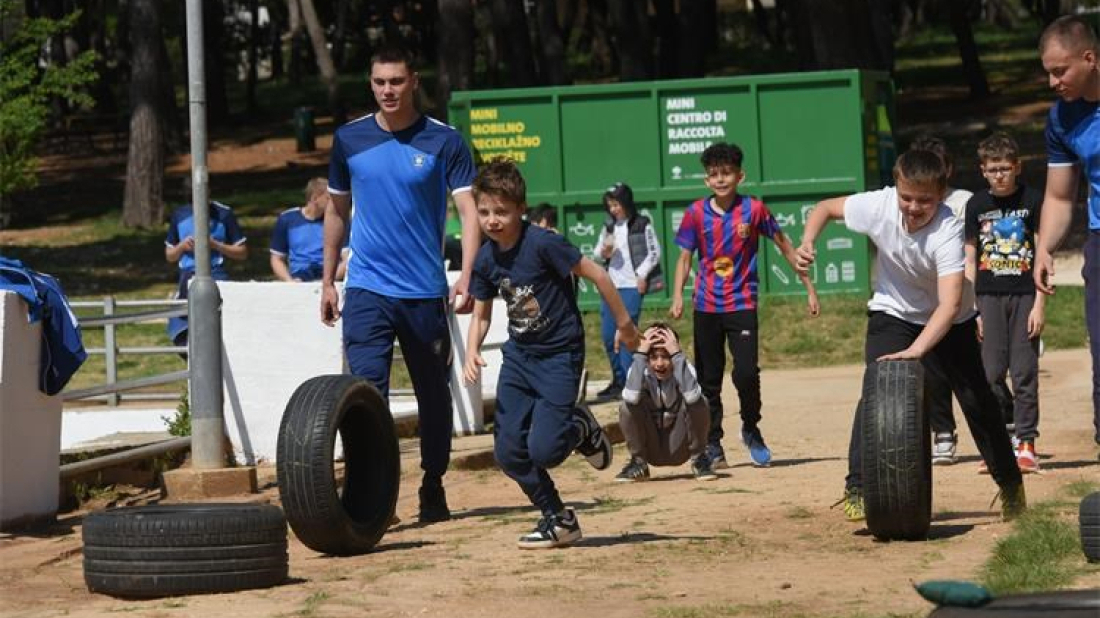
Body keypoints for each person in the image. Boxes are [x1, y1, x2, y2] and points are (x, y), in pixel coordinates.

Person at [795, 149, 1025, 523]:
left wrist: (917, 351)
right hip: (894, 311)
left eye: (925, 200)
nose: (914, 207)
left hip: (952, 321)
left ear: (941, 194)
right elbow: (824, 208)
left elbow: (949, 305)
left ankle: (1011, 485)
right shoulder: (878, 205)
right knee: (875, 390)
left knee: (976, 401)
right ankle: (858, 488)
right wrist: (808, 243)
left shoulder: (948, 229)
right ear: (896, 186)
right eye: (907, 197)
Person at [322, 44, 481, 524]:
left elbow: (469, 212)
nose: (388, 90)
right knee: (366, 395)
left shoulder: (444, 141)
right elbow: (336, 210)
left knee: (433, 396)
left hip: (424, 292)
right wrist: (328, 280)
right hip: (367, 287)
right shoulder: (349, 140)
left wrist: (468, 275)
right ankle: (374, 495)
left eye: (396, 81)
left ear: (413, 80)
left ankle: (432, 483)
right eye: (379, 83)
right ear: (370, 85)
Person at [462, 158, 641, 549]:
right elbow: (481, 311)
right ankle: (558, 518)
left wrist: (625, 326)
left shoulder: (542, 244)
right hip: (519, 360)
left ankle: (578, 427)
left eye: (502, 212)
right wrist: (471, 350)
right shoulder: (486, 258)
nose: (492, 220)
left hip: (560, 355)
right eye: (484, 212)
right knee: (509, 453)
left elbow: (599, 274)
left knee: (544, 450)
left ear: (520, 209)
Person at [669, 142, 819, 469]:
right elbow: (684, 258)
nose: (720, 179)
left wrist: (809, 287)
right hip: (706, 305)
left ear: (740, 175)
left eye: (726, 173)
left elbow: (785, 247)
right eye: (713, 175)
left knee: (747, 373)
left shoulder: (754, 210)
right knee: (709, 379)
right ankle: (712, 443)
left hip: (742, 303)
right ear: (706, 180)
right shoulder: (695, 214)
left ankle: (751, 429)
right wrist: (678, 295)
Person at [1033, 15, 1100, 455]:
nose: (1054, 81)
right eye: (1049, 73)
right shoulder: (1062, 119)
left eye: (1061, 70)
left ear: (1090, 58)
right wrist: (1043, 247)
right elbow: (1060, 197)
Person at [965, 132, 1044, 474]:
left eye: (1005, 168)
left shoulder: (1033, 200)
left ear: (1017, 167)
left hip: (1025, 293)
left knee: (1024, 371)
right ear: (982, 170)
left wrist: (1040, 304)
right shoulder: (976, 205)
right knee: (990, 373)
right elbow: (969, 258)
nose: (999, 174)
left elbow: (1042, 254)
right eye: (992, 168)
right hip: (987, 296)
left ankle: (1026, 443)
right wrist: (973, 309)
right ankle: (998, 443)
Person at [908, 135, 975, 466]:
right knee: (931, 370)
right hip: (926, 300)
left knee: (975, 375)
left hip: (963, 302)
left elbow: (976, 252)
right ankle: (943, 433)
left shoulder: (966, 202)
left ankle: (1002, 433)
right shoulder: (907, 203)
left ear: (948, 168)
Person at [615, 322, 715, 483]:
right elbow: (631, 397)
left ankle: (699, 459)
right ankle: (638, 463)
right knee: (627, 405)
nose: (660, 364)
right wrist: (641, 354)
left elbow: (691, 398)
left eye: (666, 356)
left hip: (680, 446)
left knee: (699, 400)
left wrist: (676, 355)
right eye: (653, 357)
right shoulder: (639, 368)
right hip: (650, 447)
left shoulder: (684, 367)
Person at [594, 182, 662, 402]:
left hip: (632, 286)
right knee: (607, 335)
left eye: (616, 204)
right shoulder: (609, 226)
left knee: (626, 335)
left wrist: (642, 275)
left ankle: (631, 383)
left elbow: (654, 252)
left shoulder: (642, 223)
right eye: (610, 205)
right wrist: (603, 251)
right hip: (610, 286)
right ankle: (618, 380)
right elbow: (597, 252)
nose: (613, 209)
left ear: (626, 202)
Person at [164, 180, 248, 347]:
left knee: (220, 327)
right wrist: (182, 247)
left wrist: (216, 245)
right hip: (187, 277)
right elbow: (170, 255)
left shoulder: (224, 214)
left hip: (217, 275)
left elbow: (242, 253)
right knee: (184, 327)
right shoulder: (179, 215)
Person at [270, 178, 348, 282]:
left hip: (328, 273)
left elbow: (347, 259)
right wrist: (289, 281)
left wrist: (328, 280)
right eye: (329, 199)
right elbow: (276, 258)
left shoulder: (337, 221)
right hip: (299, 275)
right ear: (315, 198)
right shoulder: (287, 219)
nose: (334, 203)